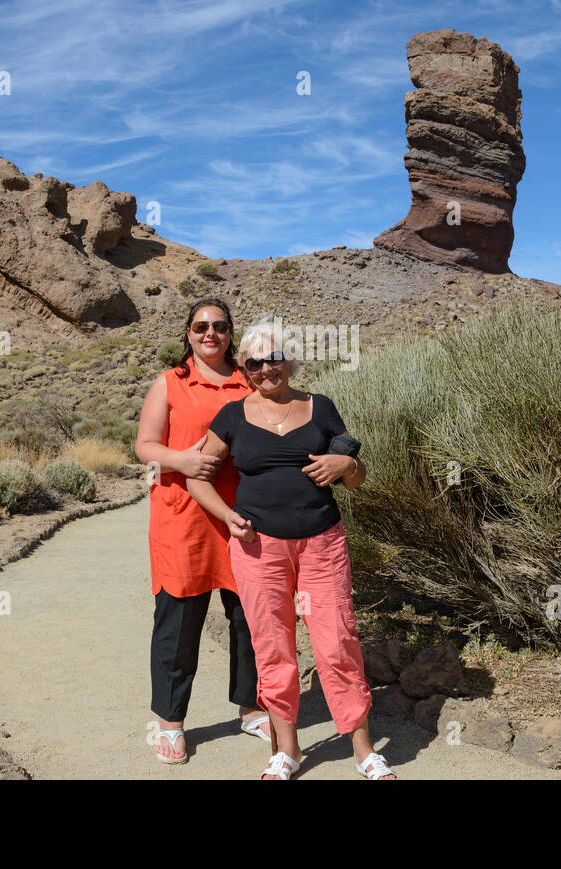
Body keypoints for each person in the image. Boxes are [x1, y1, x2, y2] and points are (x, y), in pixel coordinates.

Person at [187, 316, 396, 780]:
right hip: (259, 549)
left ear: (291, 362)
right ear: (245, 367)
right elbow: (196, 474)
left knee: (337, 643)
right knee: (273, 647)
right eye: (256, 362)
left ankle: (363, 751)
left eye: (275, 358)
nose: (266, 368)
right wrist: (226, 516)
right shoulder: (232, 416)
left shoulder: (320, 408)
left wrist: (347, 463)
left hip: (322, 544)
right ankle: (288, 751)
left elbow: (356, 480)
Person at [135, 298, 271, 764]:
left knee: (249, 616)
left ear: (231, 333)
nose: (210, 333)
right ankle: (171, 723)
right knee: (178, 621)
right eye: (200, 326)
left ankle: (252, 708)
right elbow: (145, 446)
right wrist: (183, 461)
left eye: (219, 326)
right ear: (188, 333)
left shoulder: (248, 381)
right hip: (183, 518)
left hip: (243, 516)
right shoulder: (171, 383)